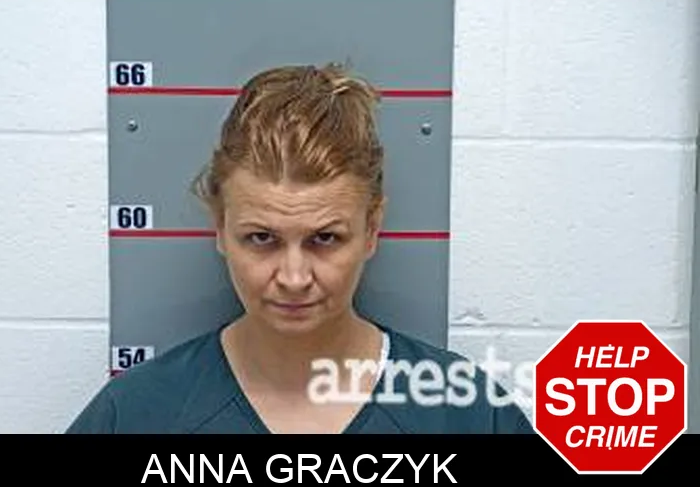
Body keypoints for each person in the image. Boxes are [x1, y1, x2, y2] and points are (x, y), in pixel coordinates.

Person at [66, 63, 533, 434]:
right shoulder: (138, 413)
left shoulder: (465, 414)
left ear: (372, 229)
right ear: (220, 228)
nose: (293, 278)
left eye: (325, 239)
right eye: (261, 239)